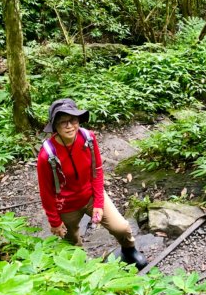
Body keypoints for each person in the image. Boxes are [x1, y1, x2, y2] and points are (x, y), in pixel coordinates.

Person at [37, 98, 147, 269]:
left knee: (122, 227)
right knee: (72, 244)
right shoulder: (47, 155)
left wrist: (98, 203)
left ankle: (129, 251)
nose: (69, 126)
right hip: (66, 206)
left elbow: (97, 170)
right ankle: (83, 272)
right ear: (55, 127)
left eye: (73, 120)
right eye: (62, 122)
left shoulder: (88, 138)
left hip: (90, 195)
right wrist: (54, 221)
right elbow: (46, 191)